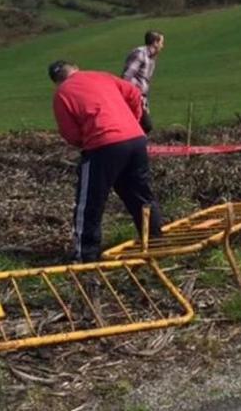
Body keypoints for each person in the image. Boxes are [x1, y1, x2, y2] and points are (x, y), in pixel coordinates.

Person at [49, 60, 163, 263]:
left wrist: (86, 141)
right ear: (76, 68)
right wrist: (134, 120)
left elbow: (70, 133)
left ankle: (86, 255)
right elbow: (135, 94)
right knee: (140, 194)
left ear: (56, 81)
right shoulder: (102, 75)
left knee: (90, 202)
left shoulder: (62, 93)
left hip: (103, 145)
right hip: (136, 140)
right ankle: (155, 241)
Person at [122, 30, 165, 133]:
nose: (162, 46)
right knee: (146, 125)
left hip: (141, 97)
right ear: (155, 42)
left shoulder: (151, 58)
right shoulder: (140, 54)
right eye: (161, 43)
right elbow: (127, 76)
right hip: (133, 96)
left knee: (141, 127)